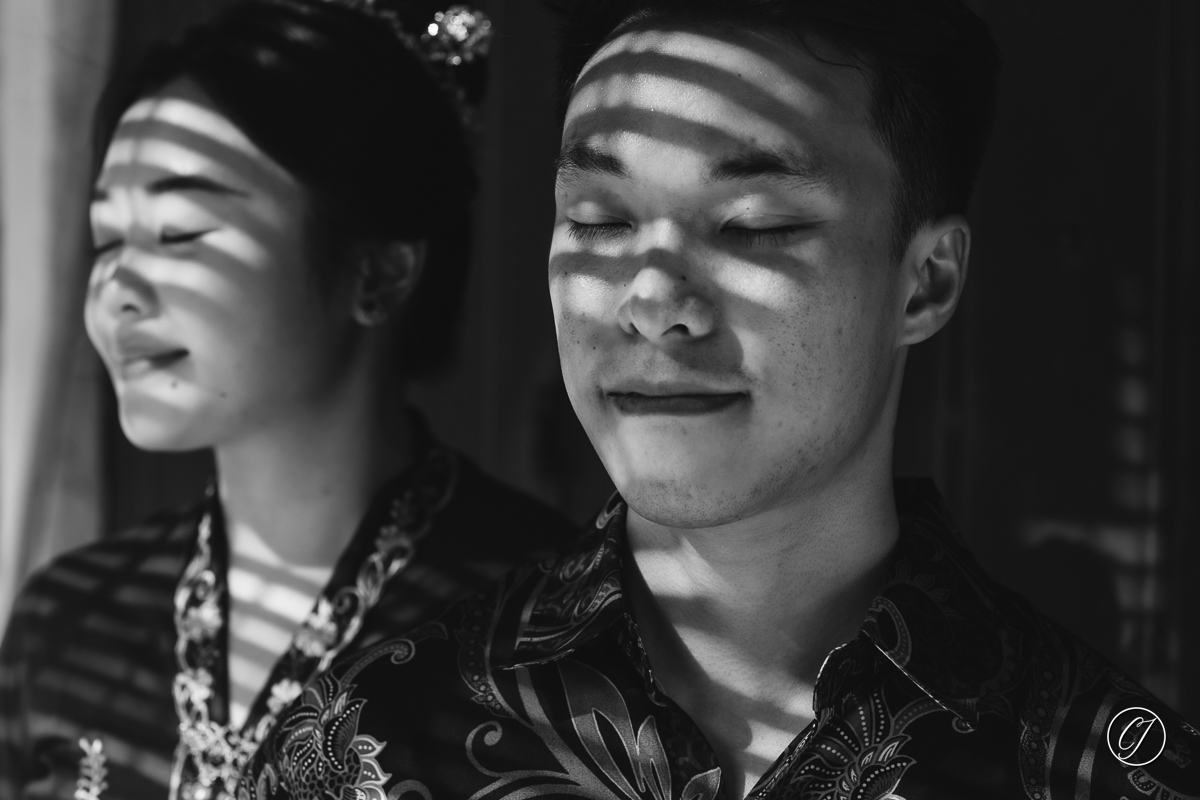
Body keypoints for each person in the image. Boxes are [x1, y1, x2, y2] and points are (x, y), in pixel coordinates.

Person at [238, 0, 1200, 798]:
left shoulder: (1095, 768)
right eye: (599, 219)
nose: (652, 301)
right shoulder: (374, 742)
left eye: (755, 223)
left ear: (925, 282)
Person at [0, 2, 578, 799]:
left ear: (377, 273)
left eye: (179, 232)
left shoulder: (551, 627)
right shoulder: (67, 623)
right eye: (107, 240)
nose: (116, 292)